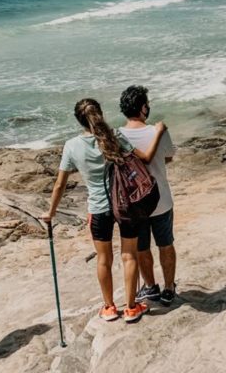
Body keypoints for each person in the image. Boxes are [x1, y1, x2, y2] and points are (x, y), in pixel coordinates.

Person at [43, 98, 166, 323]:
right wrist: (157, 132)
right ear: (100, 114)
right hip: (125, 206)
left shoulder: (71, 146)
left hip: (98, 210)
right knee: (129, 256)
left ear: (79, 121)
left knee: (103, 259)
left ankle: (109, 307)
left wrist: (50, 213)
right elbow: (144, 159)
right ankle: (131, 308)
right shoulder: (115, 137)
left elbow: (60, 185)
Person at [118, 85, 177, 306]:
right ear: (143, 107)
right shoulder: (157, 131)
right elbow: (169, 156)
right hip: (161, 199)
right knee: (166, 244)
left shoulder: (117, 136)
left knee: (142, 248)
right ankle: (169, 289)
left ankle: (151, 287)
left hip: (134, 204)